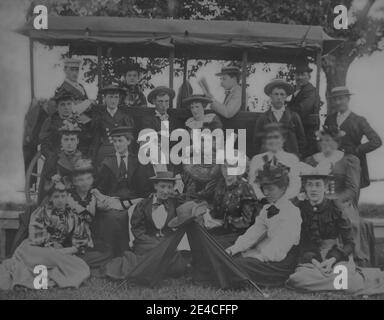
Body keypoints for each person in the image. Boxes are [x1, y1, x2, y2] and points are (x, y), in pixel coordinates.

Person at [287, 169, 384, 296]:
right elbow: (300, 243)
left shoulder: (335, 207)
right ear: (305, 187)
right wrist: (316, 263)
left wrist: (332, 260)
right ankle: (338, 285)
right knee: (297, 279)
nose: (313, 189)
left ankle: (333, 284)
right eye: (310, 185)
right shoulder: (299, 208)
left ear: (325, 187)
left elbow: (350, 243)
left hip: (336, 258)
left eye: (318, 185)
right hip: (310, 262)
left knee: (350, 284)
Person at [224, 160, 302, 287]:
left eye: (270, 189)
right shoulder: (267, 209)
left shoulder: (292, 212)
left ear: (283, 188)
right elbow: (252, 234)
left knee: (236, 265)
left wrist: (256, 258)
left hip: (281, 262)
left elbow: (280, 247)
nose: (266, 193)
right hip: (267, 254)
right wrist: (232, 250)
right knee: (226, 256)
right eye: (264, 189)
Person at [305, 125, 375, 266]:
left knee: (351, 222)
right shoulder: (311, 160)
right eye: (323, 140)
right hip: (316, 200)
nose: (326, 144)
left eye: (330, 140)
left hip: (342, 201)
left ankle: (353, 259)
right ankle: (311, 257)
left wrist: (335, 201)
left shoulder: (349, 160)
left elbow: (352, 189)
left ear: (338, 142)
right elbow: (306, 184)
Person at [0, 181, 90, 290]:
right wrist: (55, 250)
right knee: (56, 259)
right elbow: (36, 239)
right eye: (56, 196)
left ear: (68, 196)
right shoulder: (40, 213)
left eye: (63, 196)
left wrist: (65, 251)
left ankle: (51, 271)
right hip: (32, 249)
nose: (60, 200)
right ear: (51, 198)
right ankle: (30, 278)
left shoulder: (74, 216)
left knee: (81, 266)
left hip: (55, 251)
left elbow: (80, 242)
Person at [67, 158, 121, 270]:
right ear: (74, 182)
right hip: (69, 238)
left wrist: (102, 204)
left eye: (88, 179)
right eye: (80, 180)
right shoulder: (68, 197)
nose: (85, 182)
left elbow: (108, 202)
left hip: (87, 238)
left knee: (108, 253)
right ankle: (72, 260)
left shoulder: (93, 196)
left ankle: (77, 261)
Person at [96, 126, 141, 256]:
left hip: (133, 201)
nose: (117, 144)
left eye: (120, 141)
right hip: (113, 202)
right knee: (113, 217)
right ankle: (115, 252)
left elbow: (142, 188)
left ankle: (132, 250)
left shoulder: (136, 161)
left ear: (128, 141)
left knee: (134, 215)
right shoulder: (107, 162)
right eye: (114, 141)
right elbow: (100, 187)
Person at [324, 86, 382, 189]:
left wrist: (356, 150)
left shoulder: (359, 120)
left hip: (353, 166)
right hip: (333, 167)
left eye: (341, 98)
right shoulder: (329, 119)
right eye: (335, 99)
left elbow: (376, 141)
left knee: (350, 199)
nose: (338, 102)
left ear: (348, 99)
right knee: (332, 199)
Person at [205, 151, 258, 248]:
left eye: (231, 167)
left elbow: (246, 222)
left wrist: (222, 223)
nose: (227, 170)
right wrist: (208, 214)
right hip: (219, 230)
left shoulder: (245, 188)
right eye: (224, 166)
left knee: (209, 245)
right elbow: (216, 211)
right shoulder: (220, 185)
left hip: (237, 235)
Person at [252, 79, 307, 158]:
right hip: (269, 160)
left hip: (289, 158)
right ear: (270, 96)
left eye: (282, 94)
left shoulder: (294, 116)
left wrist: (297, 156)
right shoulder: (263, 118)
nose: (279, 97)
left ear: (286, 96)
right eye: (276, 94)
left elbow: (302, 141)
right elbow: (256, 142)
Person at [249, 123, 301, 203]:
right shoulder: (257, 160)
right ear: (265, 141)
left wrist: (281, 202)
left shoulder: (292, 159)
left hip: (287, 203)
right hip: (262, 203)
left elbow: (295, 185)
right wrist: (263, 199)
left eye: (276, 137)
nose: (273, 141)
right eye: (269, 138)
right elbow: (253, 184)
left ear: (283, 139)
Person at [38, 121, 83, 204]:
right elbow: (46, 184)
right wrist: (53, 178)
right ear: (61, 142)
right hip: (58, 199)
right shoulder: (54, 159)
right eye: (66, 139)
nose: (69, 143)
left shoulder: (83, 159)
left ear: (77, 141)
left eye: (72, 139)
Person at [91, 85, 135, 166]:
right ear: (105, 98)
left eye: (116, 97)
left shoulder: (125, 117)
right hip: (104, 153)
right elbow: (96, 141)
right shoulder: (99, 118)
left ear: (119, 99)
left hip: (121, 152)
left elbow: (130, 141)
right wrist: (93, 159)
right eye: (110, 97)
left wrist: (130, 157)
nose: (113, 101)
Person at [287, 62, 321, 158]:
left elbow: (302, 109)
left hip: (307, 134)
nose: (300, 77)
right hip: (297, 131)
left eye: (303, 75)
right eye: (298, 75)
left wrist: (284, 111)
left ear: (309, 77)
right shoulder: (297, 91)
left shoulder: (312, 92)